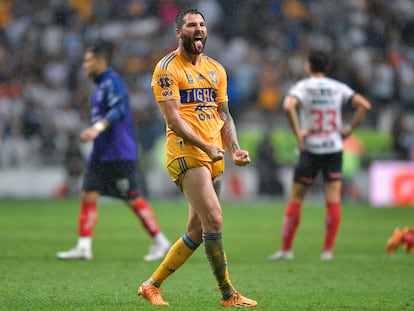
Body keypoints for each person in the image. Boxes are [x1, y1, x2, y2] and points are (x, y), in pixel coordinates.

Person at [137, 8, 258, 307]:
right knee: (214, 220)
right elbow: (174, 119)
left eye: (202, 24)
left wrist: (234, 148)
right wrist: (206, 146)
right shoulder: (167, 68)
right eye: (191, 25)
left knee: (197, 228)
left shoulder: (217, 69)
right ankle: (228, 294)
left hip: (214, 153)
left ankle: (151, 285)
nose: (198, 29)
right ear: (179, 33)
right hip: (186, 152)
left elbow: (224, 114)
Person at [56, 40, 170, 262]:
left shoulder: (113, 83)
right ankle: (83, 246)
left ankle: (159, 240)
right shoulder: (100, 86)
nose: (84, 65)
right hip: (101, 153)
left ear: (100, 61)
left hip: (119, 152)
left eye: (88, 61)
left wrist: (96, 128)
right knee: (88, 194)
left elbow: (118, 109)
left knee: (131, 197)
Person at [268, 50, 371, 261]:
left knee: (297, 197)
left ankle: (286, 249)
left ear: (308, 66)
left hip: (311, 148)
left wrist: (298, 132)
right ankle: (327, 251)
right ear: (327, 68)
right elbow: (364, 106)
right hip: (334, 147)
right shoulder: (337, 87)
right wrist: (349, 128)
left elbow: (288, 106)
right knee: (333, 200)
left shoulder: (303, 87)